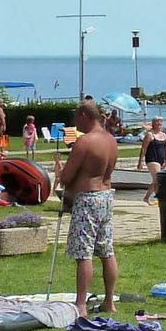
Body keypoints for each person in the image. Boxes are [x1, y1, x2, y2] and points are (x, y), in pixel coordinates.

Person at [56, 99, 120, 317]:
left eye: (76, 118)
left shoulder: (84, 142)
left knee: (84, 253)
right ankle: (109, 301)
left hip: (88, 199)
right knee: (106, 250)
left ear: (84, 115)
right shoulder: (111, 141)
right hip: (106, 197)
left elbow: (66, 177)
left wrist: (60, 173)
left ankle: (81, 304)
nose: (75, 123)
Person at [138, 117, 166, 204]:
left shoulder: (163, 135)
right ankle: (160, 199)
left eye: (161, 124)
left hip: (161, 159)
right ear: (153, 124)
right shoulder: (149, 135)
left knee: (156, 180)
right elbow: (144, 148)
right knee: (158, 180)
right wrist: (140, 161)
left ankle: (146, 198)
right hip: (152, 159)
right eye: (158, 124)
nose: (159, 126)